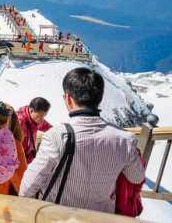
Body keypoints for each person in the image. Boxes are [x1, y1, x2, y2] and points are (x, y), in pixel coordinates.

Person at [20, 67, 145, 213]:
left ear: (68, 98)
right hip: (102, 217)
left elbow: (28, 187)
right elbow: (137, 177)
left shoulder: (56, 136)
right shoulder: (125, 140)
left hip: (58, 215)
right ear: (99, 98)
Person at [17, 97, 52, 164]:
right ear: (31, 110)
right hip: (19, 162)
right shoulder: (20, 123)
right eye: (40, 116)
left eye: (44, 116)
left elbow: (47, 126)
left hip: (28, 157)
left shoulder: (35, 119)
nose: (42, 120)